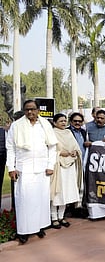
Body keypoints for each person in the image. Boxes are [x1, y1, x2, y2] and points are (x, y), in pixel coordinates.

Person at [6, 100, 58, 244]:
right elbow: (10, 148)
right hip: (24, 168)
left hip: (42, 169)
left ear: (38, 110)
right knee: (24, 201)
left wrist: (50, 165)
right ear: (24, 110)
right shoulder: (16, 126)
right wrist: (11, 168)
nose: (30, 112)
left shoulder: (45, 125)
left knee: (41, 200)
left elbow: (52, 147)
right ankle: (23, 231)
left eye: (33, 109)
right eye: (27, 109)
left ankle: (39, 227)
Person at [50, 113, 82, 229]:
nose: (63, 123)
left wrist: (74, 152)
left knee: (67, 191)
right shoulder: (52, 133)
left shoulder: (68, 132)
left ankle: (61, 216)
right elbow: (49, 150)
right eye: (60, 121)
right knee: (57, 191)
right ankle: (54, 218)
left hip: (69, 166)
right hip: (57, 165)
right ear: (54, 123)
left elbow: (76, 147)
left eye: (64, 121)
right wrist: (61, 153)